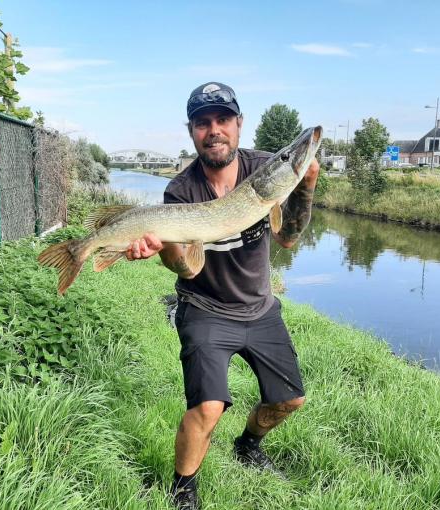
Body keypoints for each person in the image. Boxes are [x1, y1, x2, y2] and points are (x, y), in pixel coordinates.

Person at [125, 82, 320, 509]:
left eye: (222, 120)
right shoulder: (180, 190)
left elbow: (286, 239)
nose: (214, 130)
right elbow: (189, 267)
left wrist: (304, 185)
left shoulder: (266, 169)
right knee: (209, 407)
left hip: (259, 307)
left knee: (290, 400)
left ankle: (248, 444)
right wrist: (164, 248)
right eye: (203, 123)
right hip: (205, 308)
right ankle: (183, 488)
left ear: (238, 124)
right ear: (192, 131)